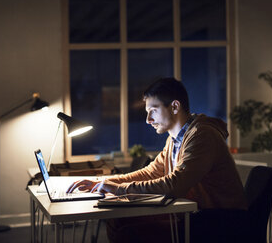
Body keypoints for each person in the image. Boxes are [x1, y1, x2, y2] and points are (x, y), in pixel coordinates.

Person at [67, 77, 247, 242]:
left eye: (153, 110)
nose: (148, 120)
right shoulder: (175, 140)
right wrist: (104, 182)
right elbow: (150, 172)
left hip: (217, 220)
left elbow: (175, 185)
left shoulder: (202, 135)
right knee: (118, 219)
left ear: (175, 107)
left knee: (129, 232)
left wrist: (118, 189)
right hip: (191, 214)